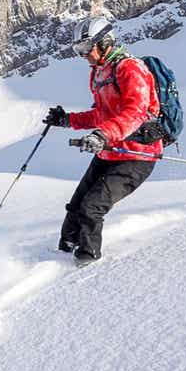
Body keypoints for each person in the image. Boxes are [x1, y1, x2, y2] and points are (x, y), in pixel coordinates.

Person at [43, 15, 163, 266]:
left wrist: (102, 135)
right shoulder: (99, 73)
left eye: (86, 48)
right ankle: (60, 255)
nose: (83, 55)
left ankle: (85, 265)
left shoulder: (130, 69)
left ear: (105, 42)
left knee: (91, 207)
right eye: (78, 50)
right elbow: (101, 114)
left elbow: (136, 113)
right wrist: (67, 120)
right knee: (76, 207)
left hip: (136, 155)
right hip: (109, 151)